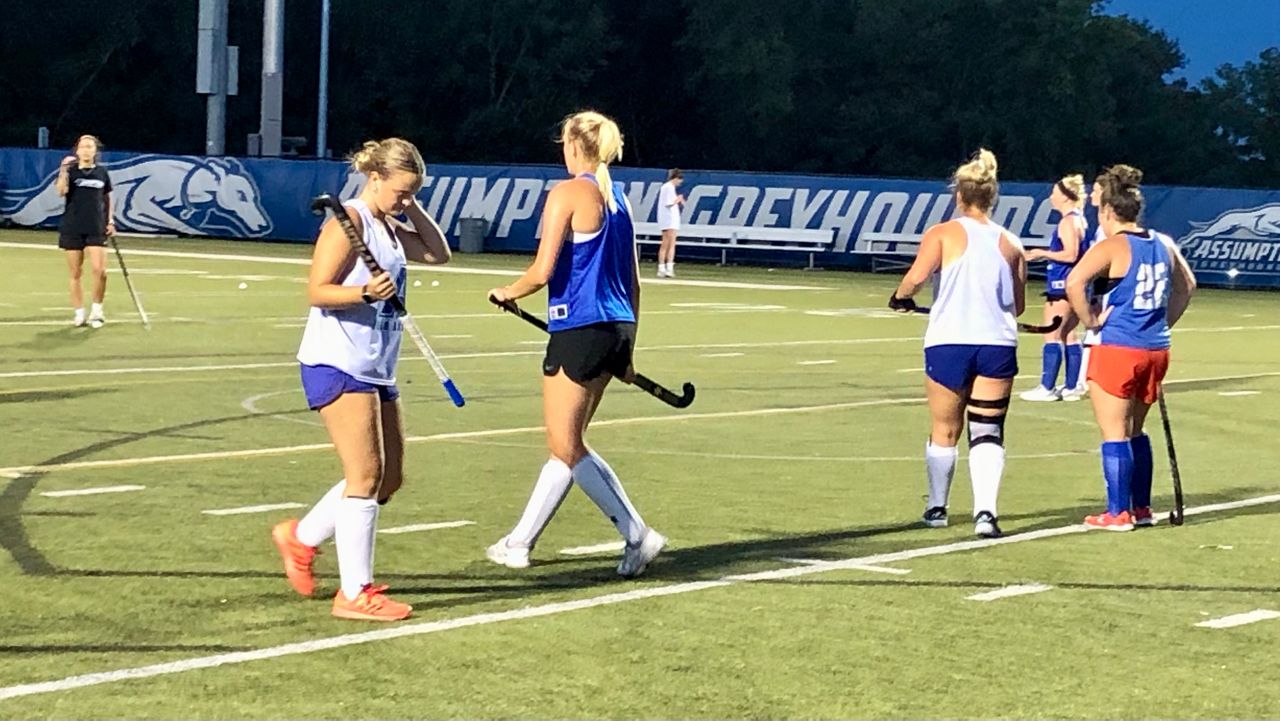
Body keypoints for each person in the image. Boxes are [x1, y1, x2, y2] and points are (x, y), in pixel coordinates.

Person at [271, 138, 451, 621]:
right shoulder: (346, 224)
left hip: (377, 364)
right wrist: (365, 291)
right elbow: (317, 290)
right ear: (374, 179)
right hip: (338, 361)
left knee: (388, 478)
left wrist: (411, 206)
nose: (406, 202)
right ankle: (355, 593)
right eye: (401, 193)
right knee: (366, 476)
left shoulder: (388, 224)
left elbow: (438, 253)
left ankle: (301, 539)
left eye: (413, 193)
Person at [486, 110, 666, 576]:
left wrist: (507, 292)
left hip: (581, 327)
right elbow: (635, 282)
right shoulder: (618, 197)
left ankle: (636, 533)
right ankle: (519, 542)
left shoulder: (567, 192)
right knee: (566, 445)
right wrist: (629, 351)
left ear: (571, 145)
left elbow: (542, 271)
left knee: (566, 445)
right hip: (616, 328)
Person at [889, 149, 1027, 538]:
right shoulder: (1011, 243)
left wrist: (900, 298)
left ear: (958, 195)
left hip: (950, 341)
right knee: (988, 430)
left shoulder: (943, 233)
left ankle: (937, 508)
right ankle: (986, 514)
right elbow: (1017, 306)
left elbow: (915, 279)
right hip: (997, 344)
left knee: (944, 428)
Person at [1065, 164, 1196, 531]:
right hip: (1155, 348)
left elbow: (1075, 282)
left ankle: (1118, 512)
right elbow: (1188, 286)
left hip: (1117, 347)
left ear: (1108, 210)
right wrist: (1162, 322)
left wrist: (1090, 321)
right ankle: (1140, 508)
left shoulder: (1112, 245)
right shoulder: (1163, 242)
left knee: (1114, 433)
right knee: (1136, 430)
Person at [1020, 175, 1089, 402]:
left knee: (1052, 333)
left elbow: (1070, 254)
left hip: (1062, 283)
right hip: (1072, 283)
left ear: (1066, 197)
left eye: (1055, 193)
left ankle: (1047, 387)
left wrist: (1042, 252)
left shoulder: (1068, 222)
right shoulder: (1079, 219)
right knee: (1069, 334)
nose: (1051, 197)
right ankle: (1071, 387)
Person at [56, 135, 114, 328]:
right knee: (75, 272)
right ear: (77, 151)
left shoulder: (102, 173)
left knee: (100, 270)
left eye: (90, 147)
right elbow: (61, 191)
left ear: (95, 151)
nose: (87, 150)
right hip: (73, 226)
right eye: (83, 147)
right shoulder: (71, 172)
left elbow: (107, 198)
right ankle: (79, 312)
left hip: (96, 226)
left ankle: (97, 311)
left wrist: (110, 220)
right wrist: (63, 170)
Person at [656, 168, 685, 277]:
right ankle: (668, 268)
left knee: (665, 244)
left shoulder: (666, 187)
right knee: (670, 244)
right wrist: (678, 199)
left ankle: (662, 268)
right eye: (679, 180)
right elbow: (669, 203)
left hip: (666, 219)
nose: (680, 183)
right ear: (676, 178)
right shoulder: (669, 187)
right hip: (670, 219)